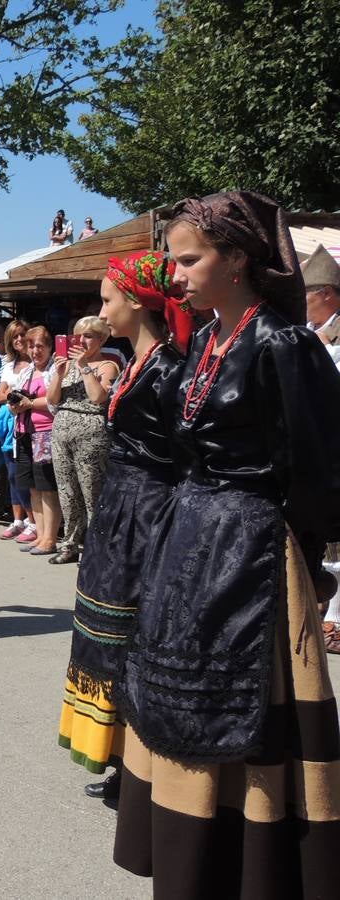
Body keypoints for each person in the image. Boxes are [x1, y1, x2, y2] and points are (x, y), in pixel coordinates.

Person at [106, 193, 340, 897]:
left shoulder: (282, 343)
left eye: (189, 259)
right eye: (174, 261)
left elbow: (320, 462)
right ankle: (197, 868)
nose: (176, 274)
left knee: (250, 710)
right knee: (177, 700)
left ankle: (261, 874)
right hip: (192, 545)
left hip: (256, 553)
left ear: (237, 259)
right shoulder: (204, 342)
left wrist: (302, 560)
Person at [55, 251, 189, 798]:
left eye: (108, 300)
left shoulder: (167, 368)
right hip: (120, 509)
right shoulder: (138, 363)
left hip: (147, 512)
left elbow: (181, 455)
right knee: (107, 632)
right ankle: (116, 758)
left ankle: (138, 762)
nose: (102, 312)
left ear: (137, 302)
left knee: (132, 634)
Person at [46, 317, 119, 565]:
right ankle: (69, 543)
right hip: (62, 431)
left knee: (91, 492)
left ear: (101, 339)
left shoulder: (108, 364)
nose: (82, 341)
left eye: (88, 336)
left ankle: (94, 545)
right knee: (67, 492)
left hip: (91, 435)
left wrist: (85, 367)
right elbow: (53, 399)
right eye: (78, 336)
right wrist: (59, 373)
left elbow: (99, 398)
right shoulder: (67, 365)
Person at [7, 327, 60, 555]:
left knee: (47, 487)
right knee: (33, 487)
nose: (35, 350)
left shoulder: (54, 371)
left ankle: (50, 538)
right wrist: (15, 405)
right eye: (31, 346)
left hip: (45, 433)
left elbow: (54, 401)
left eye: (40, 346)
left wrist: (29, 404)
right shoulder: (26, 372)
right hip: (24, 433)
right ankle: (40, 534)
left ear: (49, 347)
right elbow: (12, 402)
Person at [0, 320, 34, 542]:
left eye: (22, 335)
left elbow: (29, 393)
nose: (19, 340)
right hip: (10, 425)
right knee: (11, 474)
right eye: (15, 336)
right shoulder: (8, 365)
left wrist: (12, 392)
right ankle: (18, 520)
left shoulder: (37, 363)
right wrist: (12, 393)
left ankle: (33, 521)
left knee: (27, 475)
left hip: (31, 424)